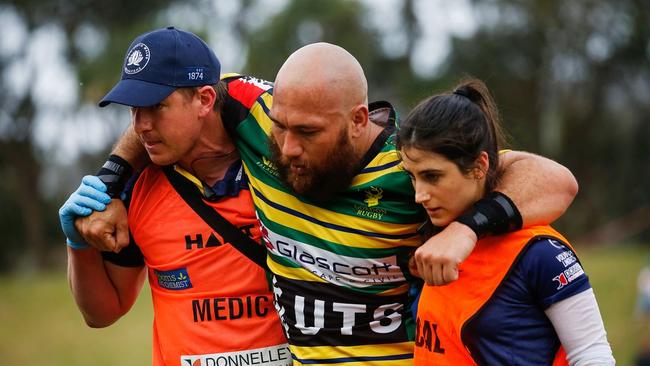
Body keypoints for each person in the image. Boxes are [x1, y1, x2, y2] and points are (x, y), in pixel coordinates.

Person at [61, 42, 579, 364]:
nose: (286, 148)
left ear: (357, 120)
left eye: (307, 133)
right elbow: (169, 105)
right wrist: (111, 178)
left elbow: (554, 181)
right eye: (281, 127)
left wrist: (466, 229)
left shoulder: (410, 167)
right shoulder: (254, 114)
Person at [60, 27, 290, 366]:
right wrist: (77, 246)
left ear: (205, 100)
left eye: (156, 107)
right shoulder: (135, 189)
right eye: (134, 110)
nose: (141, 125)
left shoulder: (276, 169)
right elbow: (103, 312)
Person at [397, 78, 614, 365]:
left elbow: (592, 353)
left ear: (479, 167)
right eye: (412, 177)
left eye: (432, 176)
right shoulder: (432, 237)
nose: (419, 195)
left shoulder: (540, 252)